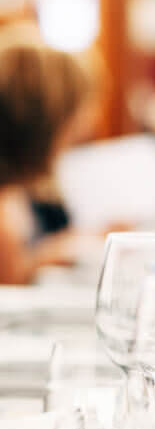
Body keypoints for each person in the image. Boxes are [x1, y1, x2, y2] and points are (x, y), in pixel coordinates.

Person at [0, 37, 96, 283]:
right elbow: (11, 282)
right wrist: (54, 252)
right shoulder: (5, 214)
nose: (84, 127)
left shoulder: (19, 192)